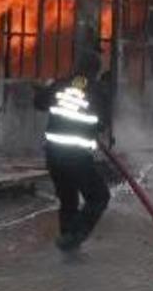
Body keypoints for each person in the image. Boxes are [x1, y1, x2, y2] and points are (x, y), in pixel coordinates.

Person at [33, 50, 111, 251]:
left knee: (68, 201)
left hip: (54, 156)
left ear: (77, 66)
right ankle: (73, 236)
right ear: (96, 71)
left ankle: (67, 245)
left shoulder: (61, 83)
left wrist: (42, 89)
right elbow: (103, 124)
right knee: (99, 196)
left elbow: (39, 103)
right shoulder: (98, 91)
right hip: (77, 157)